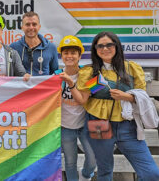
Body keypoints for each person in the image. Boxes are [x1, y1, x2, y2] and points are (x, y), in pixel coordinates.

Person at [75, 31, 159, 181]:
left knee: (151, 173)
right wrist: (70, 85)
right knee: (105, 171)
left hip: (127, 125)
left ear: (117, 46)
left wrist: (125, 96)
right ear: (95, 49)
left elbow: (142, 96)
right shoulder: (89, 72)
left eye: (109, 45)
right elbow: (83, 100)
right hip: (99, 123)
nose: (105, 48)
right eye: (100, 46)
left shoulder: (131, 68)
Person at [56, 35, 96, 181]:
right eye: (66, 53)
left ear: (79, 55)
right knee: (70, 162)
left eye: (73, 53)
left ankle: (86, 174)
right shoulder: (56, 76)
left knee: (93, 159)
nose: (69, 56)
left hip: (85, 125)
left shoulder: (87, 75)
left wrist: (71, 84)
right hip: (65, 126)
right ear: (62, 56)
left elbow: (85, 100)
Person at [10, 11, 58, 76]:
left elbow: (55, 72)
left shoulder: (51, 47)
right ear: (22, 27)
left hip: (42, 86)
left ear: (39, 26)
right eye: (27, 24)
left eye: (34, 24)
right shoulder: (13, 48)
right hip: (21, 86)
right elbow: (10, 72)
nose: (31, 27)